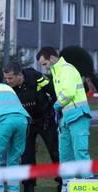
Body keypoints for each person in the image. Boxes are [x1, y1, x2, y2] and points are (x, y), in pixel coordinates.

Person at [36, 47, 92, 191]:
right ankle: (67, 186)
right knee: (65, 153)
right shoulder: (57, 72)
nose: (45, 68)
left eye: (45, 64)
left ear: (53, 59)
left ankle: (89, 185)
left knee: (80, 151)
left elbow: (68, 93)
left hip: (78, 115)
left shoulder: (66, 69)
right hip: (66, 117)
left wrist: (54, 105)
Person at [3, 64, 61, 192]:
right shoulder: (8, 87)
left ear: (19, 75)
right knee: (26, 156)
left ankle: (62, 182)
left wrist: (54, 111)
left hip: (45, 119)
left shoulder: (35, 76)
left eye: (10, 78)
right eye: (6, 78)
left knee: (55, 151)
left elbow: (53, 91)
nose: (7, 81)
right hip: (27, 123)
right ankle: (28, 186)